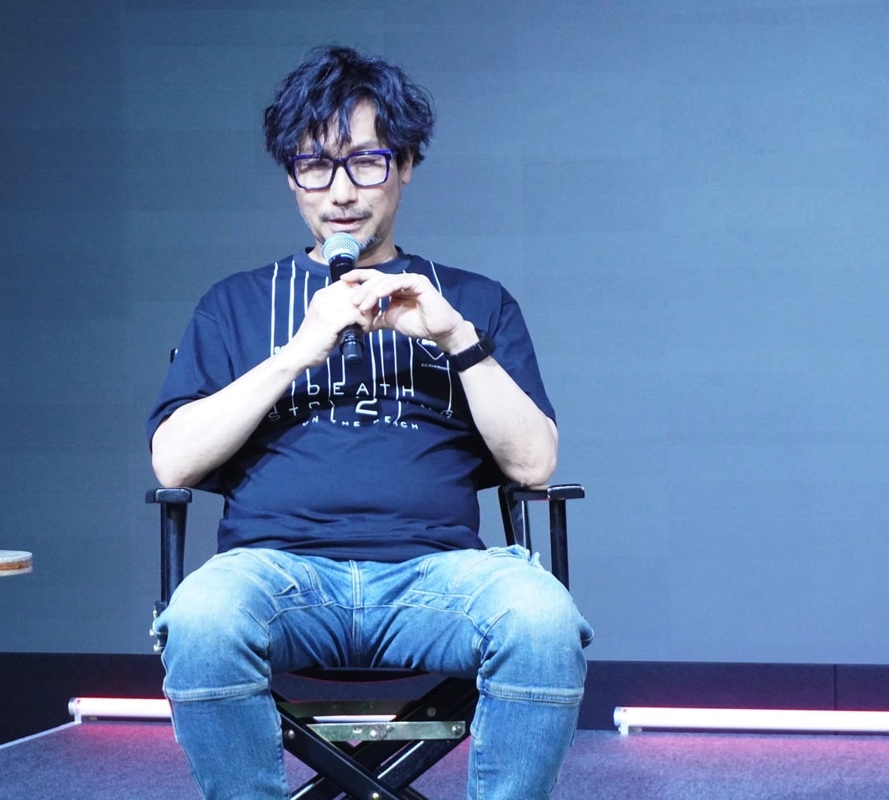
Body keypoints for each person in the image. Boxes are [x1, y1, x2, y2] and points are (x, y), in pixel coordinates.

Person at [147, 45, 592, 800]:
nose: (341, 192)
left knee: (542, 619)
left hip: (438, 579)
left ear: (406, 164)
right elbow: (172, 462)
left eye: (366, 162)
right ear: (290, 175)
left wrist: (456, 339)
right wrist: (298, 352)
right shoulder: (235, 304)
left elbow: (534, 464)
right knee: (204, 618)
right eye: (314, 166)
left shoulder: (472, 301)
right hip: (278, 576)